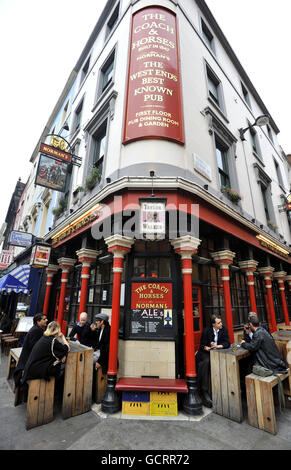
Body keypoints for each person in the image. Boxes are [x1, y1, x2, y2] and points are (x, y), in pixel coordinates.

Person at [196, 314, 230, 407]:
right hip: (206, 353)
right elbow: (201, 345)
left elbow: (227, 343)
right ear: (213, 324)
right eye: (219, 323)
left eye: (221, 322)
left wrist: (218, 346)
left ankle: (222, 390)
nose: (221, 324)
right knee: (206, 362)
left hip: (218, 352)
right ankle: (204, 390)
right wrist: (206, 347)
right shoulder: (206, 331)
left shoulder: (224, 329)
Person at [14, 313, 48, 387]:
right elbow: (35, 347)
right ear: (38, 322)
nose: (46, 320)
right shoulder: (36, 330)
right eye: (44, 319)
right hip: (28, 361)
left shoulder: (36, 329)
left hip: (27, 359)